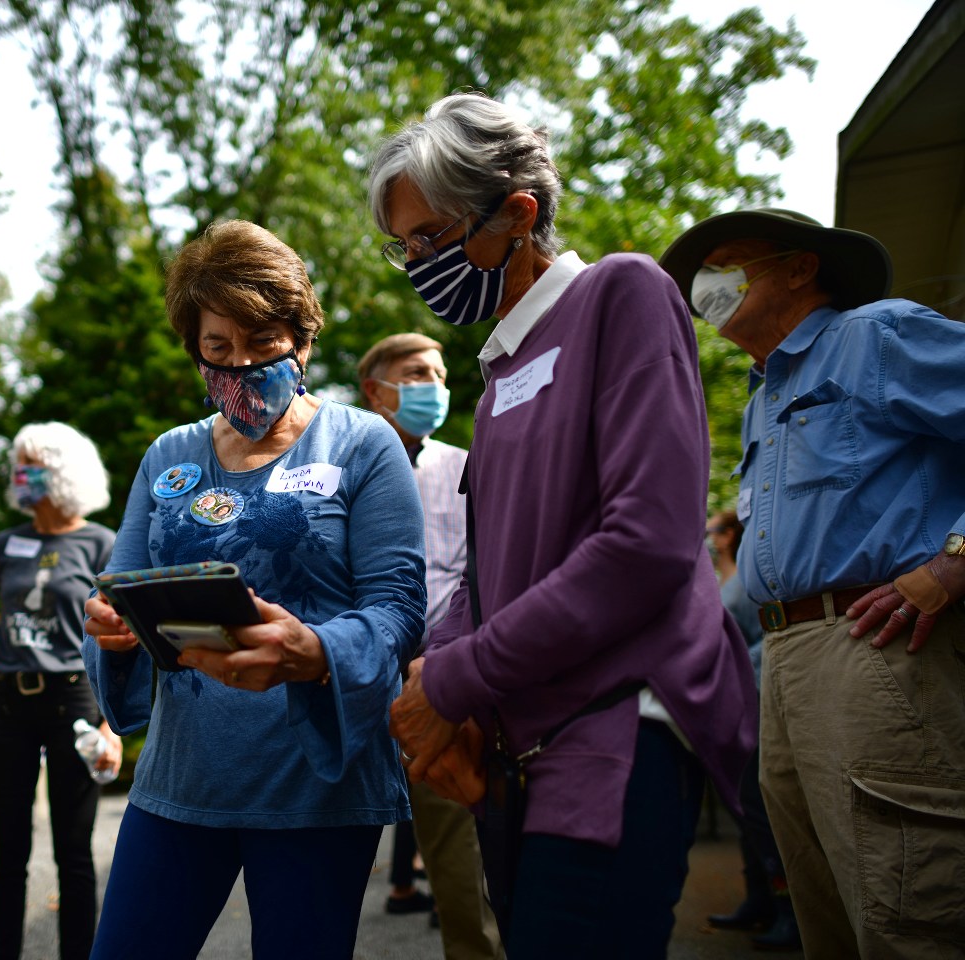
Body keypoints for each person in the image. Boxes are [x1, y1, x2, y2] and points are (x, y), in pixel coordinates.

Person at [372, 93, 756, 959]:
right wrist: (434, 676)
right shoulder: (500, 366)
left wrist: (457, 677)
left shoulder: (622, 291)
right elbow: (485, 570)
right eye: (405, 248)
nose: (418, 264)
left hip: (617, 725)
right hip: (525, 745)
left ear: (519, 212)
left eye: (432, 238)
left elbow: (647, 545)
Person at [82, 219, 426, 960]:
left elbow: (399, 610)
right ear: (194, 348)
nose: (240, 364)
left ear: (302, 338)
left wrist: (316, 648)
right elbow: (127, 590)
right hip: (183, 778)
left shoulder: (364, 445)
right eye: (217, 348)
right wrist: (112, 627)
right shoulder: (167, 454)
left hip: (316, 785)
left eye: (263, 343)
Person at [659, 208, 965, 959]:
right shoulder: (766, 390)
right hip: (790, 661)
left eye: (731, 261)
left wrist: (953, 561)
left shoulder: (875, 335)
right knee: (827, 913)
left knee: (905, 911)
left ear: (801, 268)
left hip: (874, 649)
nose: (709, 284)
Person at [358, 332, 502, 958]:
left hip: (437, 686)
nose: (436, 389)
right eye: (418, 374)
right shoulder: (342, 468)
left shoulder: (466, 467)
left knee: (458, 855)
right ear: (376, 389)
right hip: (354, 679)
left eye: (441, 375)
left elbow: (483, 573)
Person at [0, 422, 122, 960]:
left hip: (73, 699)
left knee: (73, 854)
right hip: (5, 701)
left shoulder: (102, 542)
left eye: (29, 464)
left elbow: (124, 630)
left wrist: (108, 721)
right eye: (17, 464)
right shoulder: (6, 541)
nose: (17, 475)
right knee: (7, 855)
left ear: (60, 472)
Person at [704, 510, 800, 952]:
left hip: (757, 695)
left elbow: (759, 637)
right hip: (733, 701)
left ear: (729, 537)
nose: (708, 537)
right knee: (744, 802)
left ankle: (787, 910)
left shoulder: (750, 582)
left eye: (714, 531)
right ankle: (758, 899)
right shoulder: (724, 578)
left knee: (761, 805)